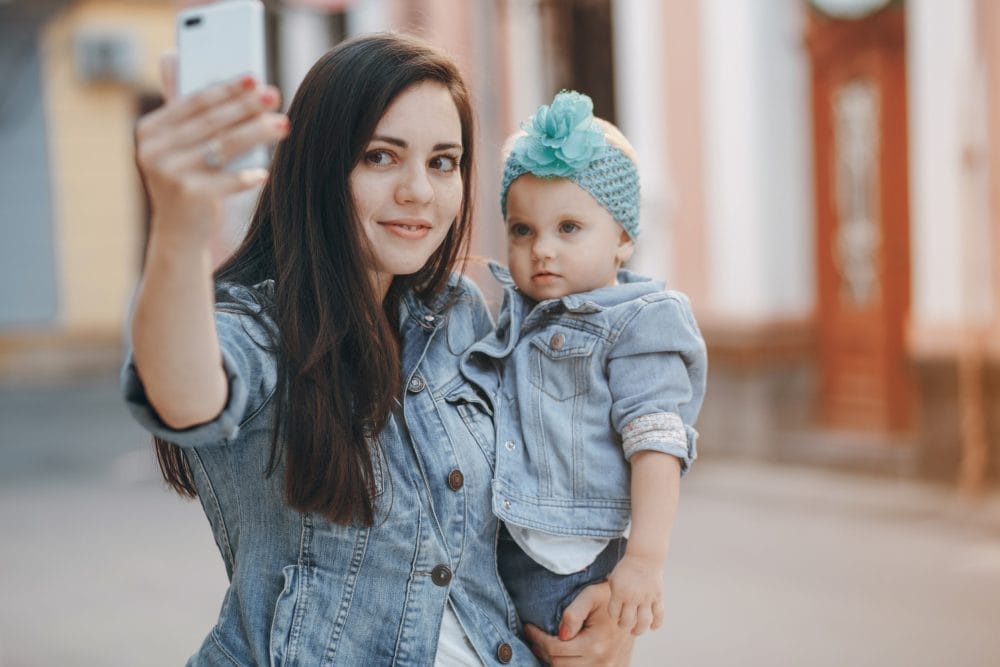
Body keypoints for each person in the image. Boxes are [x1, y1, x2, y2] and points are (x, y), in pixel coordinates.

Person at [124, 33, 630, 665]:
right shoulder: (259, 327)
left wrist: (596, 611)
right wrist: (179, 220)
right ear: (318, 165)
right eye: (380, 157)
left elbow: (518, 515)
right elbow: (181, 390)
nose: (419, 191)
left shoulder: (458, 313)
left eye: (443, 161)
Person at [461, 90, 707, 640]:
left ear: (623, 238)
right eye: (523, 230)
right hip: (496, 551)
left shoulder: (638, 323)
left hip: (569, 560)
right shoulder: (515, 316)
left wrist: (643, 561)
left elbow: (656, 442)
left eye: (568, 228)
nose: (541, 249)